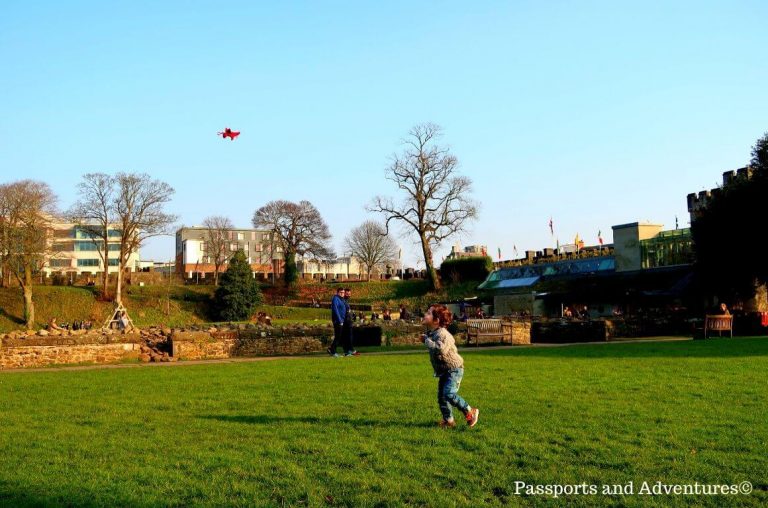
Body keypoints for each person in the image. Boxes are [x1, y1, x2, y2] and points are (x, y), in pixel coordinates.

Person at [422, 304, 479, 429]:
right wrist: (427, 338)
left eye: (428, 313)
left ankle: (470, 411)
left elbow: (441, 349)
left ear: (436, 321)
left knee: (448, 393)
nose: (425, 314)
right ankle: (449, 420)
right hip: (444, 370)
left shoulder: (443, 334)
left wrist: (427, 341)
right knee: (442, 398)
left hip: (454, 369)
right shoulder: (433, 332)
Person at [328, 288, 346, 357]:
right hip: (338, 321)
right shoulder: (335, 299)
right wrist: (340, 320)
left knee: (339, 336)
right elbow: (335, 310)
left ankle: (331, 349)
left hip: (341, 320)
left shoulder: (341, 299)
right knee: (338, 336)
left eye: (343, 292)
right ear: (337, 292)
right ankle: (333, 351)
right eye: (341, 292)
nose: (342, 293)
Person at [342, 288, 359, 356]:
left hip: (348, 321)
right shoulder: (343, 301)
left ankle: (349, 350)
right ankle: (350, 350)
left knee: (348, 336)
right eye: (347, 294)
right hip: (345, 321)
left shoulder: (345, 301)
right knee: (348, 336)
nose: (349, 295)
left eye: (349, 294)